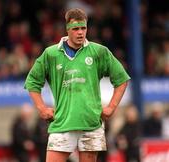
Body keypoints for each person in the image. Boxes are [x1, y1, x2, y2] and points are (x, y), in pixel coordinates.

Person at [24, 8, 130, 162]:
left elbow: (121, 79)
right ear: (67, 29)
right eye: (75, 29)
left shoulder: (99, 52)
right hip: (62, 123)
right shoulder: (51, 54)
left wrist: (111, 107)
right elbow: (32, 81)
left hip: (91, 124)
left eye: (83, 28)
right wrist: (41, 108)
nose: (80, 32)